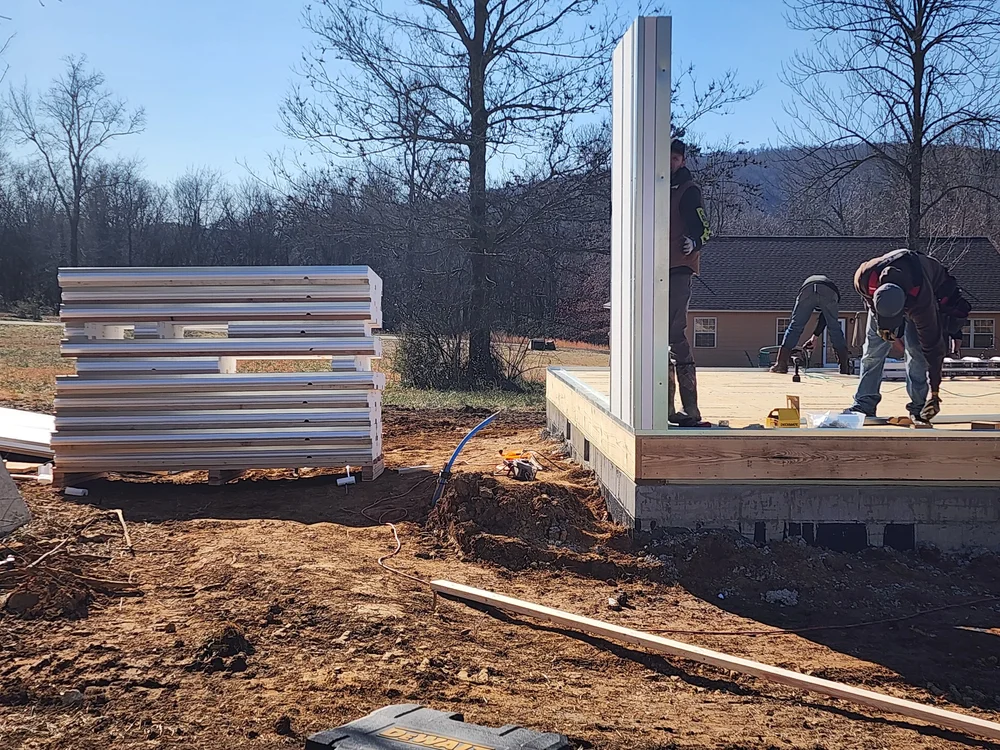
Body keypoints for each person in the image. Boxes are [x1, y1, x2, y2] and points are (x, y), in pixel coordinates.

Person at [845, 248, 971, 423]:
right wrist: (884, 325)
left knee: (916, 352)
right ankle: (864, 404)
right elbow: (871, 303)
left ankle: (919, 407)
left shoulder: (921, 303)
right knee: (873, 351)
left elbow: (933, 349)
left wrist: (935, 393)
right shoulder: (865, 276)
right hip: (883, 302)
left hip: (922, 288)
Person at [667, 138, 712, 427]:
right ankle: (665, 409)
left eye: (675, 158)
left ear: (682, 161)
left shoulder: (688, 190)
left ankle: (691, 409)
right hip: (653, 268)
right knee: (653, 339)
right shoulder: (654, 187)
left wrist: (692, 242)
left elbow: (704, 228)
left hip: (678, 269)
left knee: (674, 334)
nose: (671, 163)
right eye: (667, 158)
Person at [770, 275, 851, 375]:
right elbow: (825, 318)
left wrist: (814, 336)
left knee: (795, 326)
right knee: (834, 328)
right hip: (828, 291)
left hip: (807, 289)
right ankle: (844, 367)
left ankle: (781, 363)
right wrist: (815, 335)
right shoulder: (834, 294)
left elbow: (823, 318)